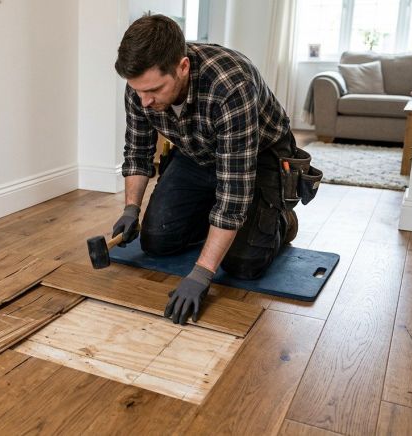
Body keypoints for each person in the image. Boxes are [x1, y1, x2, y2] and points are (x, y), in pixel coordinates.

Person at [112, 15, 320, 325]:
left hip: (259, 156)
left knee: (244, 263)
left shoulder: (231, 84)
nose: (144, 101)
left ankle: (282, 220)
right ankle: (215, 217)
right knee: (156, 241)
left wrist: (202, 274)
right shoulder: (142, 88)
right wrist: (131, 209)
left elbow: (234, 191)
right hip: (197, 152)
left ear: (182, 67)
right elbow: (138, 152)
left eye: (153, 90)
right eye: (138, 91)